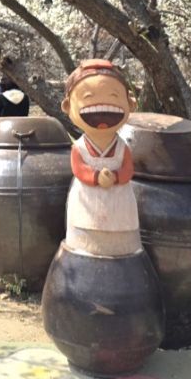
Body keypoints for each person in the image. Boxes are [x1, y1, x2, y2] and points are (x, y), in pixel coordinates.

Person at [62, 58, 141, 257]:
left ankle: (124, 255)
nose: (103, 105)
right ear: (67, 106)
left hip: (119, 198)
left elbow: (128, 168)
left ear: (131, 104)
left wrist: (117, 176)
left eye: (114, 95)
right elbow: (79, 168)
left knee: (122, 235)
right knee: (84, 239)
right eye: (87, 96)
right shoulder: (80, 147)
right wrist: (96, 177)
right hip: (87, 200)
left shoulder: (122, 147)